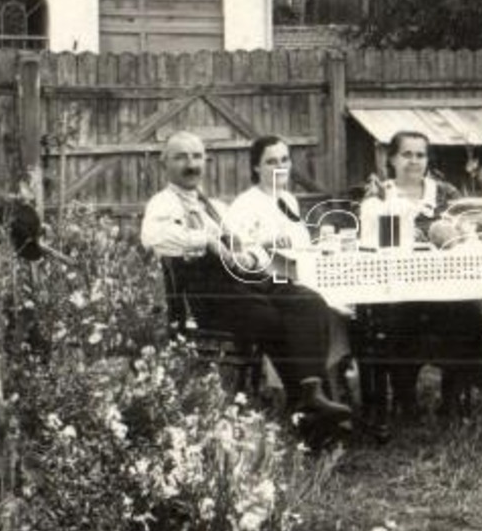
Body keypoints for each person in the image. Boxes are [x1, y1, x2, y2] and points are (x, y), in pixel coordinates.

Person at [141, 131, 352, 440]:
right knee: (269, 318)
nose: (191, 164)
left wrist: (251, 257)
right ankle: (310, 409)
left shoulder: (216, 207)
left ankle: (311, 396)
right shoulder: (163, 203)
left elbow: (250, 245)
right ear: (165, 163)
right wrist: (209, 240)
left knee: (308, 301)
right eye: (181, 157)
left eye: (197, 156)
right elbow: (154, 238)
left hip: (245, 282)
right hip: (208, 294)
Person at [358, 130, 482, 419]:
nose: (414, 161)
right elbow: (378, 243)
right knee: (399, 319)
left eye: (420, 155)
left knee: (467, 314)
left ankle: (452, 397)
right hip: (399, 286)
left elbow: (466, 232)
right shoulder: (381, 194)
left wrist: (461, 231)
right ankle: (406, 399)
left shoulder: (445, 193)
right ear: (391, 159)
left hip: (446, 285)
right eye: (407, 154)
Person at [225, 135, 312, 254]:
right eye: (272, 162)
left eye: (285, 159)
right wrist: (266, 244)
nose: (280, 167)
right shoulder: (244, 205)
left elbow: (302, 242)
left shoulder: (289, 200)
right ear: (257, 167)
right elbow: (235, 251)